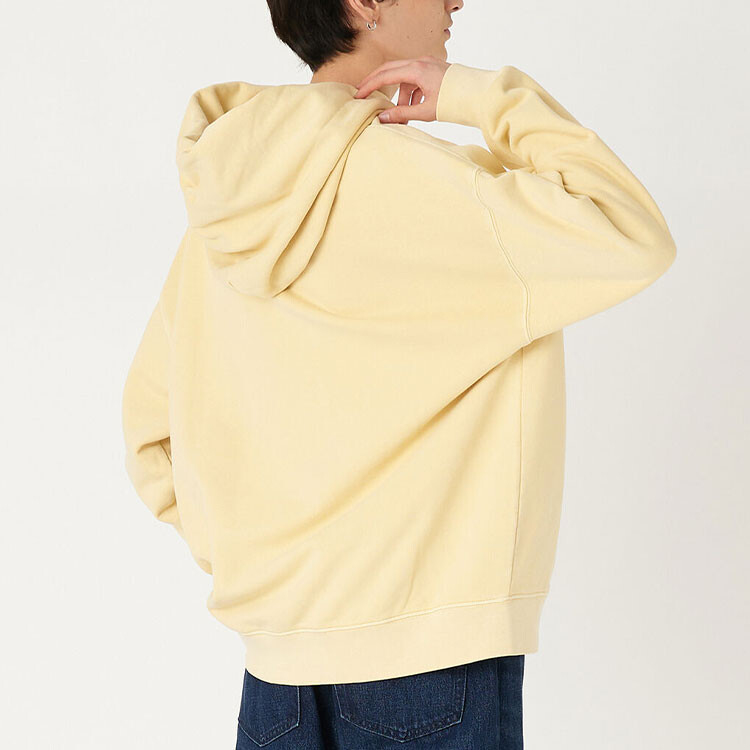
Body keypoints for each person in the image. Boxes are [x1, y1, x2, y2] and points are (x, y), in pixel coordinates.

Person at [121, 0, 676, 747]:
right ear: (364, 3)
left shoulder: (218, 220)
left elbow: (151, 436)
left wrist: (267, 570)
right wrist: (482, 95)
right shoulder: (435, 189)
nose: (455, 1)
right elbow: (629, 229)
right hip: (428, 661)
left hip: (274, 679)